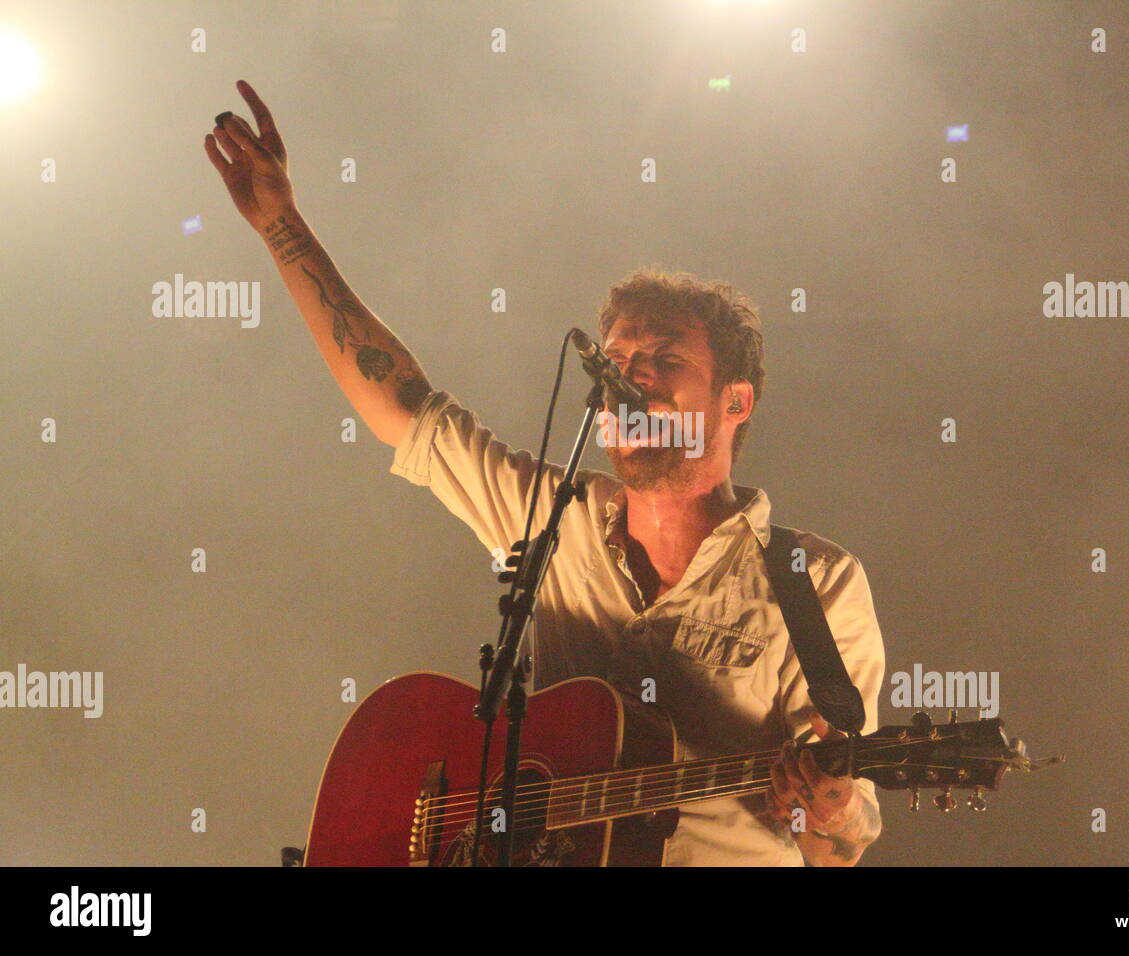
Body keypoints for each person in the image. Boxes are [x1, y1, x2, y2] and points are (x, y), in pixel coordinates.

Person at [205, 80, 886, 866]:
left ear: (737, 401)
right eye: (620, 362)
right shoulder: (553, 513)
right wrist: (281, 226)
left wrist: (828, 806)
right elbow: (402, 405)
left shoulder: (815, 581)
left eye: (665, 362)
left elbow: (844, 841)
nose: (632, 380)